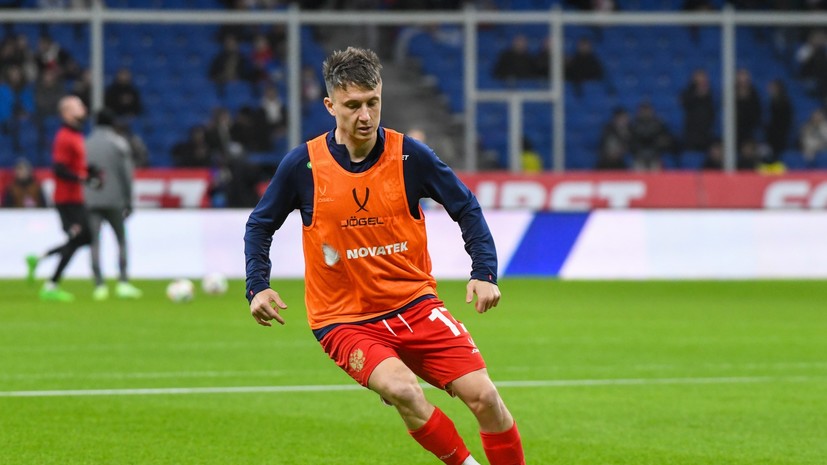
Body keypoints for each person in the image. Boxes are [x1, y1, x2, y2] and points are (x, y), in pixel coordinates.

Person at [244, 47, 525, 465]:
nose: (365, 116)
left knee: (485, 397)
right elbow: (260, 224)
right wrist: (258, 286)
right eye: (353, 105)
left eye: (373, 102)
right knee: (402, 389)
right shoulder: (303, 165)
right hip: (345, 319)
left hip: (415, 305)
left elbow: (465, 206)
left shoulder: (411, 156)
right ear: (330, 106)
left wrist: (484, 271)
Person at [25, 95, 101, 301]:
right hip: (66, 199)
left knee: (84, 238)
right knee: (80, 238)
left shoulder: (76, 135)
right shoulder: (64, 137)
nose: (83, 108)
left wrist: (90, 171)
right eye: (78, 106)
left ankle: (40, 259)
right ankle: (51, 285)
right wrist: (82, 178)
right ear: (66, 113)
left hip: (76, 198)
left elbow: (76, 166)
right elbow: (59, 169)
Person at [84, 108, 142, 301]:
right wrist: (129, 200)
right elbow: (126, 174)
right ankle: (123, 282)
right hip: (115, 199)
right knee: (121, 239)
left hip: (91, 200)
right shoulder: (119, 144)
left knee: (94, 241)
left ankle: (99, 285)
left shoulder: (86, 144)